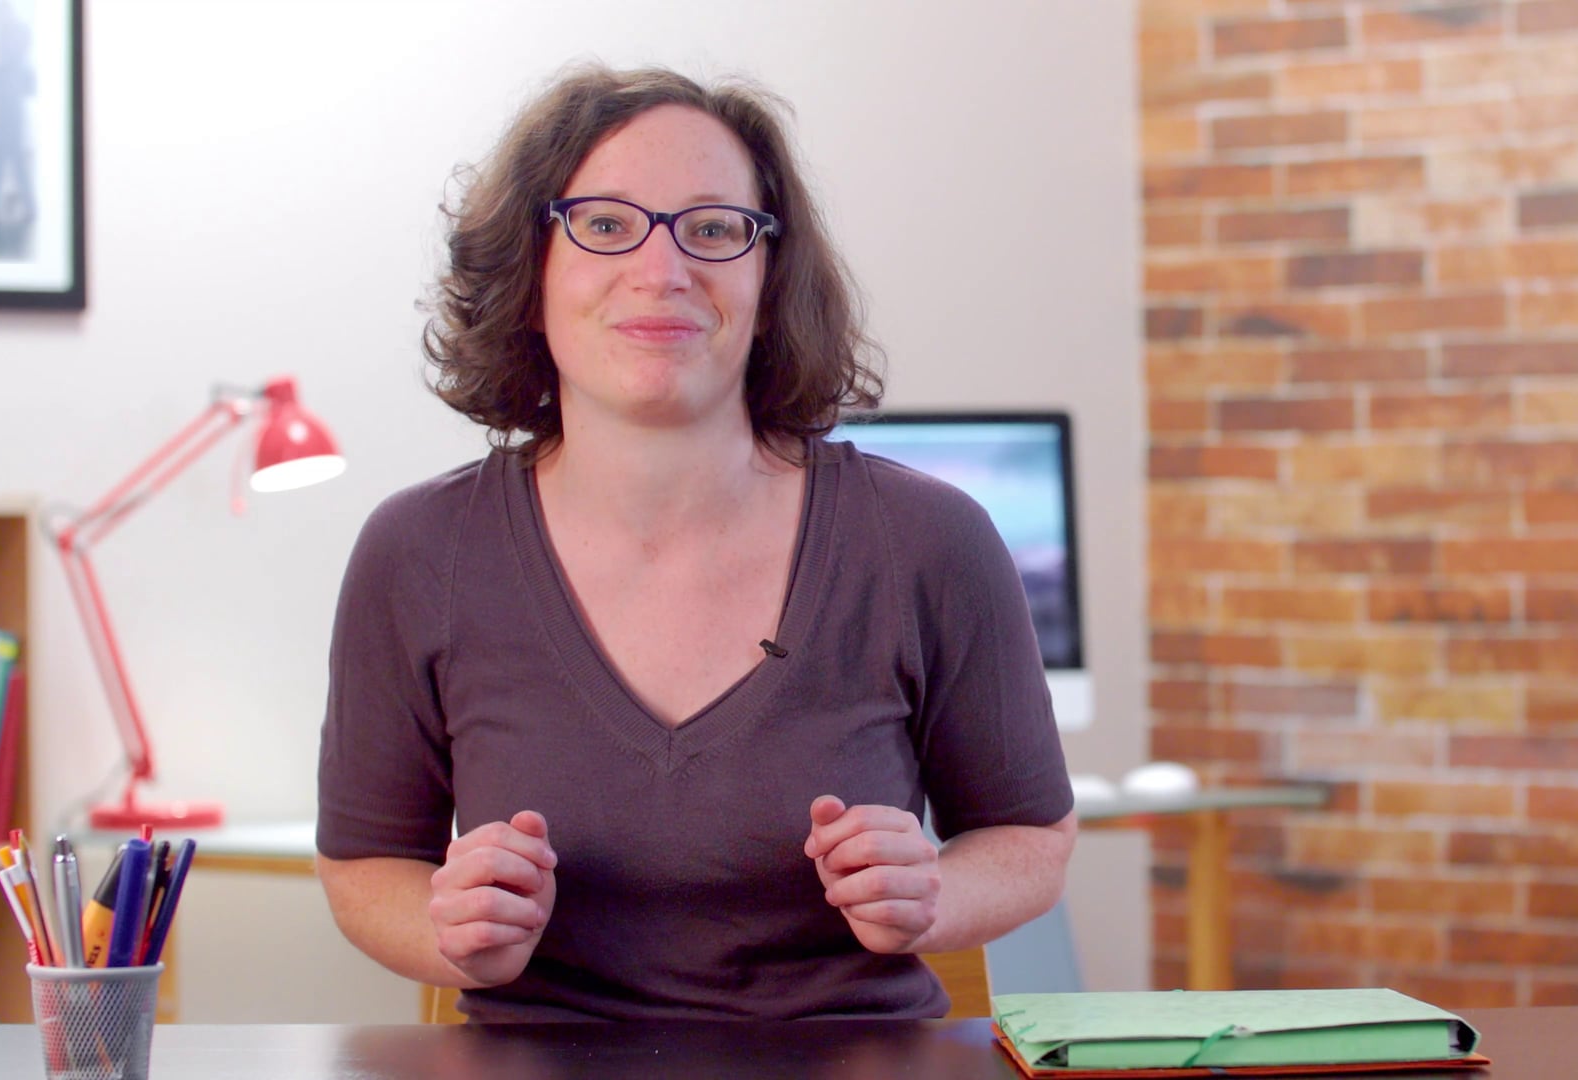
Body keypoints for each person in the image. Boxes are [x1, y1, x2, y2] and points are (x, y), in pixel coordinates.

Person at [316, 63, 1076, 1023]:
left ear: (770, 276)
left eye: (713, 229)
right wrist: (451, 934)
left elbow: (1032, 836)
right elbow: (364, 863)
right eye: (603, 224)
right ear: (529, 272)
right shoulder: (420, 550)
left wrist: (935, 894)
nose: (662, 270)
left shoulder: (928, 539)